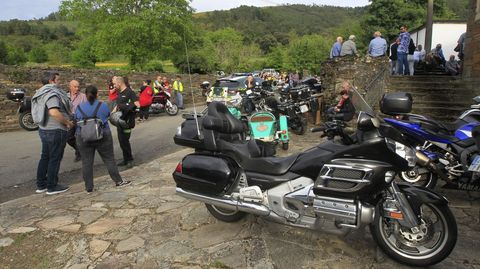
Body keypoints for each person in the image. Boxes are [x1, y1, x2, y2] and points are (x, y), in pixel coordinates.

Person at [75, 85, 131, 193]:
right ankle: (118, 181)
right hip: (102, 135)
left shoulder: (79, 107)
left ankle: (89, 187)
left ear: (86, 96)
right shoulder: (103, 105)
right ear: (97, 94)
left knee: (86, 162)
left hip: (83, 137)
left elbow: (76, 119)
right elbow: (107, 116)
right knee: (109, 159)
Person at [32, 72, 73, 195]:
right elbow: (54, 112)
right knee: (55, 158)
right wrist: (67, 123)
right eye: (58, 79)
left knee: (45, 156)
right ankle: (52, 186)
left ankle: (41, 185)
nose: (59, 82)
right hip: (55, 130)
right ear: (51, 81)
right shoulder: (52, 93)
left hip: (44, 129)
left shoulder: (40, 92)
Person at [113, 76, 139, 168]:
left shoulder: (129, 92)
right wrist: (112, 113)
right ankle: (125, 159)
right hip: (120, 121)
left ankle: (130, 160)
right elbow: (118, 105)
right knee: (121, 141)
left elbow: (137, 104)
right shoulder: (120, 93)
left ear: (119, 83)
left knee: (125, 141)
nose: (114, 86)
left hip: (127, 122)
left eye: (115, 84)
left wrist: (125, 106)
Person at [67, 79, 86, 161]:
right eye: (75, 87)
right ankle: (79, 150)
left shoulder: (83, 96)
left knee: (79, 138)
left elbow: (86, 108)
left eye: (78, 86)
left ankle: (79, 154)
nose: (77, 88)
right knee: (69, 138)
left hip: (79, 118)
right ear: (70, 87)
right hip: (69, 118)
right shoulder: (65, 96)